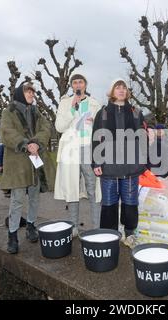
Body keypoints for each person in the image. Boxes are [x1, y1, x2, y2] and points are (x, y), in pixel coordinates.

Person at [92, 78, 147, 248]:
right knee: (109, 203)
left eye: (124, 88)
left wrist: (142, 161)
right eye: (117, 87)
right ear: (112, 91)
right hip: (109, 166)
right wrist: (96, 163)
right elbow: (96, 139)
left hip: (131, 166)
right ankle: (110, 236)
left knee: (130, 202)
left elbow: (142, 138)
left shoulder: (137, 113)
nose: (121, 90)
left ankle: (130, 234)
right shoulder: (103, 113)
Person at [0, 82, 52, 254]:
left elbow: (46, 128)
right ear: (20, 94)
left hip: (35, 161)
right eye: (28, 91)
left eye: (32, 92)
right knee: (17, 200)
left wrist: (36, 142)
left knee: (35, 197)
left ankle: (31, 225)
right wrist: (25, 144)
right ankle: (12, 235)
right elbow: (6, 132)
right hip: (18, 163)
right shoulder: (8, 112)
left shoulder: (37, 112)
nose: (31, 94)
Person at [54, 73, 102, 236]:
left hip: (88, 147)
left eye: (81, 81)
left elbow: (101, 129)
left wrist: (93, 123)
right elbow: (59, 127)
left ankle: (96, 227)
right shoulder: (65, 103)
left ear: (85, 85)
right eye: (75, 82)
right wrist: (71, 109)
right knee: (72, 187)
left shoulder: (94, 103)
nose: (78, 84)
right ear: (72, 86)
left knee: (93, 188)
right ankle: (73, 226)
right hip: (70, 150)